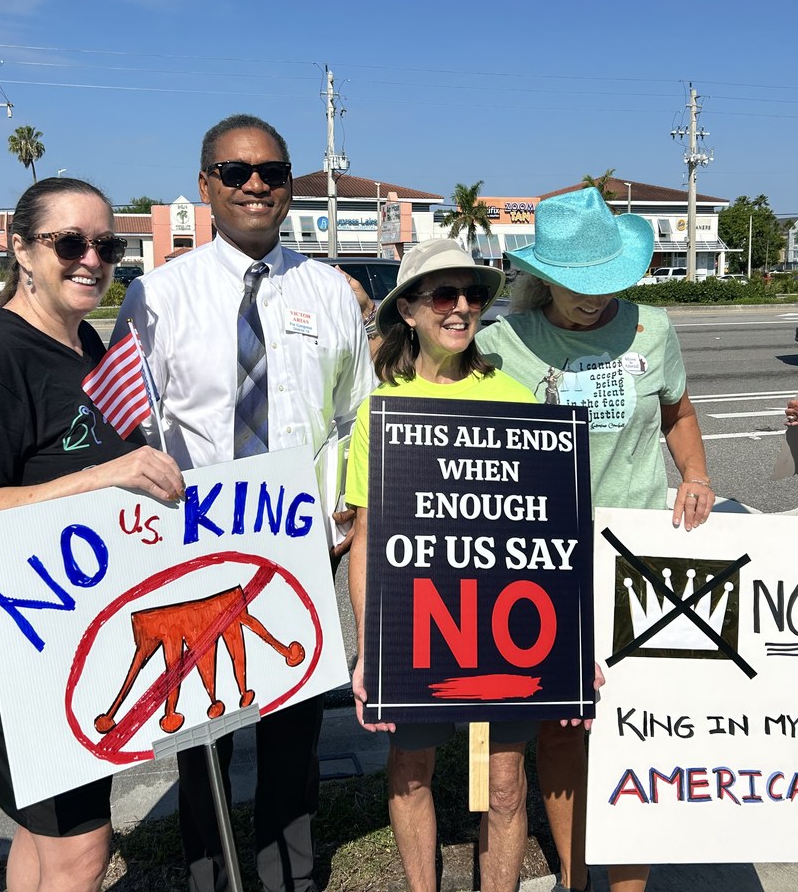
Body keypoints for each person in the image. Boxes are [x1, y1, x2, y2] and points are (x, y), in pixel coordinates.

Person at [115, 114, 375, 892]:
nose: (255, 183)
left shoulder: (330, 292)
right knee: (202, 731)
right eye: (236, 171)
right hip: (194, 547)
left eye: (272, 170)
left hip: (301, 546)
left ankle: (288, 872)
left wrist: (347, 511)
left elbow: (356, 415)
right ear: (206, 186)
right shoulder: (155, 295)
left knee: (294, 725)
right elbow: (134, 426)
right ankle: (211, 872)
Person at [477, 187, 716, 892]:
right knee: (561, 728)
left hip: (640, 552)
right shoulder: (501, 342)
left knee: (635, 722)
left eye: (607, 281)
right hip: (544, 564)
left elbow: (678, 410)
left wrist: (696, 473)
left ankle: (629, 884)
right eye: (577, 285)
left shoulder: (654, 328)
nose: (593, 297)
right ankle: (577, 873)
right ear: (543, 277)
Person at [0, 177, 183, 892]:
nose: (91, 259)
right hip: (23, 646)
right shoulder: (7, 354)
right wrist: (101, 479)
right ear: (20, 248)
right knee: (81, 850)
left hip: (69, 634)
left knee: (43, 840)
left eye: (106, 244)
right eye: (68, 242)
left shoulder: (84, 347)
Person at [346, 239, 541, 892]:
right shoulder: (382, 409)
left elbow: (547, 536)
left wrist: (566, 644)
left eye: (473, 295)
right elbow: (368, 537)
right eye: (442, 295)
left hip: (504, 625)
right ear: (407, 310)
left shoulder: (516, 399)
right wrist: (371, 646)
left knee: (505, 783)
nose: (461, 308)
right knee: (410, 769)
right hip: (418, 622)